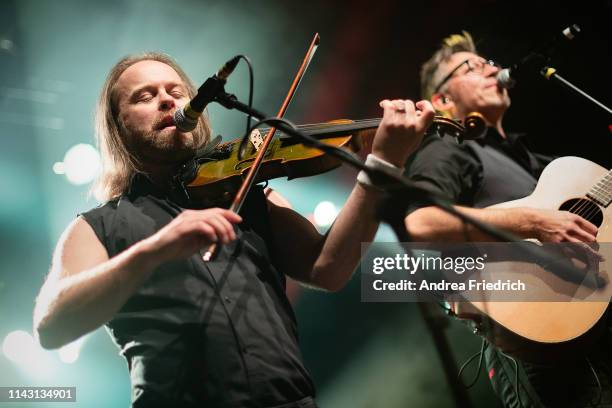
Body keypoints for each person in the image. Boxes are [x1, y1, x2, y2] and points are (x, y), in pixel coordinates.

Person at [32, 52, 435, 407]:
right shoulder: (97, 227)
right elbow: (52, 325)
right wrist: (153, 249)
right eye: (145, 96)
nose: (168, 99)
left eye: (175, 90)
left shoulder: (251, 192)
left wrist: (382, 165)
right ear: (118, 127)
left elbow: (327, 269)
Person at [404, 32, 610, 407]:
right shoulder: (448, 148)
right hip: (533, 339)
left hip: (592, 314)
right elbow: (422, 222)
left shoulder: (535, 161)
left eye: (490, 62)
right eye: (472, 66)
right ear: (443, 100)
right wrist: (535, 223)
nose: (492, 69)